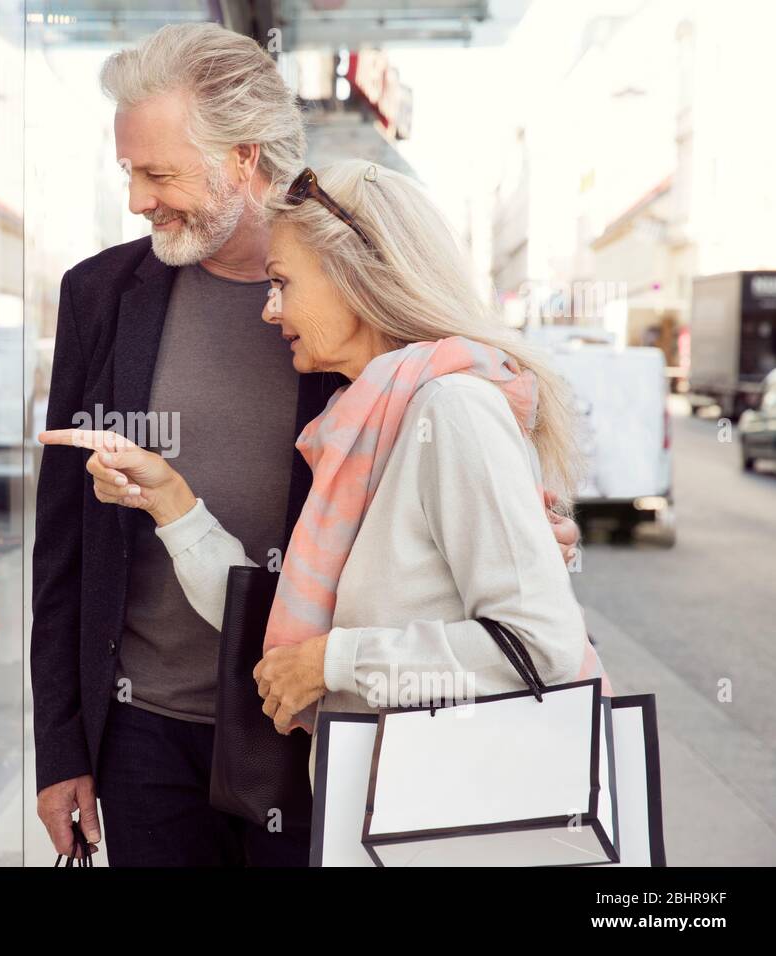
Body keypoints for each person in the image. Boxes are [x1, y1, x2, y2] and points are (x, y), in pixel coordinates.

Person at [30, 23, 582, 867]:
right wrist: (63, 747)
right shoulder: (101, 295)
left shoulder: (391, 369)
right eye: (128, 172)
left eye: (159, 171)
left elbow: (509, 619)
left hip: (323, 724)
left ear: (242, 159)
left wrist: (517, 540)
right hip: (150, 728)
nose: (138, 197)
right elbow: (63, 542)